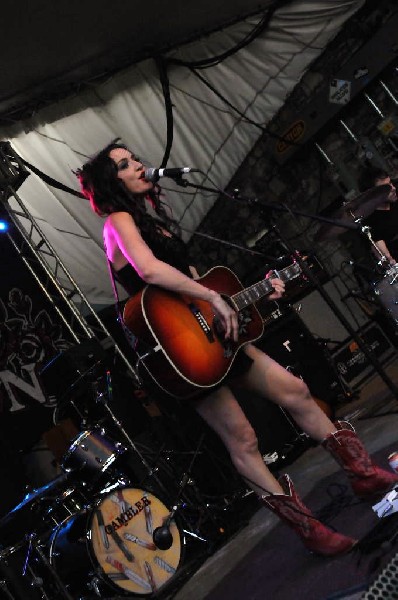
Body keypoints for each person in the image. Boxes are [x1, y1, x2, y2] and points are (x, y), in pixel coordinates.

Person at [77, 142, 398, 557]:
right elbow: (150, 270)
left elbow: (197, 282)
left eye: (134, 158)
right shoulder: (116, 221)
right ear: (110, 183)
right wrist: (213, 300)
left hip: (210, 334)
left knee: (296, 391)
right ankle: (310, 531)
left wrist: (254, 294)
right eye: (124, 165)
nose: (138, 165)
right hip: (180, 350)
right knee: (243, 438)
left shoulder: (153, 218)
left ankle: (364, 474)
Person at [359, 166, 398, 266]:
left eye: (391, 183)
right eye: (386, 188)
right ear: (373, 195)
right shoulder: (369, 220)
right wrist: (389, 260)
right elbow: (385, 255)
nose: (393, 188)